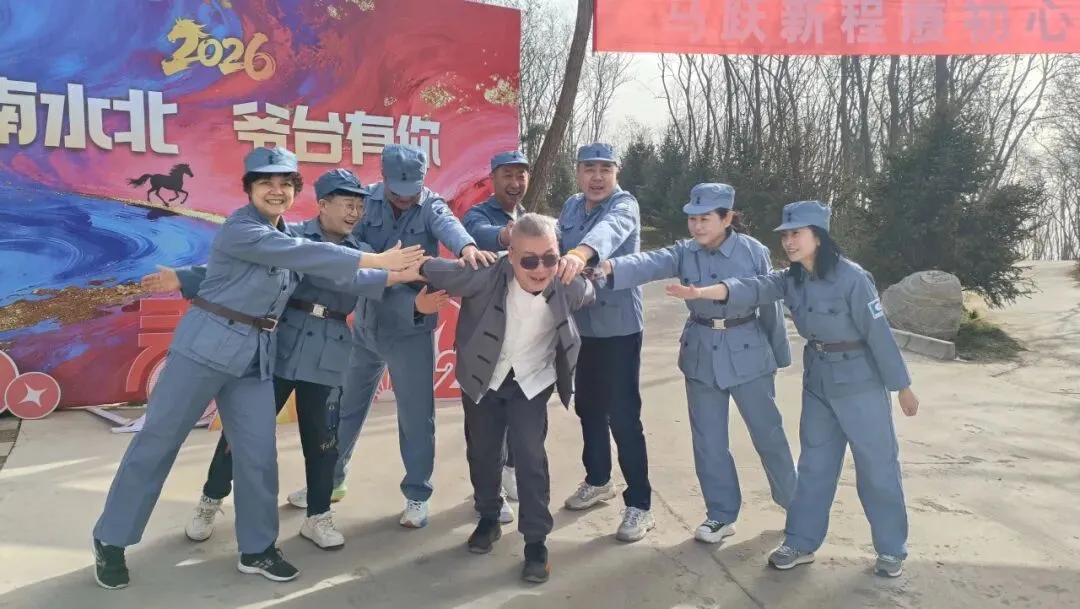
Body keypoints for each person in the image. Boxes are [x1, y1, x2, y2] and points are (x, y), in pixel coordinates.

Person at [90, 147, 426, 590]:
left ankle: (257, 548)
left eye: (286, 183)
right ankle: (111, 539)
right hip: (204, 348)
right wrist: (378, 261)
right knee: (158, 442)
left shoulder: (280, 234)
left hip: (257, 356)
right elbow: (301, 254)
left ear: (295, 192)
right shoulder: (243, 227)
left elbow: (250, 269)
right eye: (266, 182)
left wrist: (399, 276)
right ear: (249, 189)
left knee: (258, 455)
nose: (277, 190)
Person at [142, 169, 449, 551]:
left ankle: (318, 516)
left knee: (324, 442)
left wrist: (414, 302)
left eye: (359, 206)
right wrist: (185, 278)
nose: (354, 213)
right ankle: (211, 498)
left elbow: (379, 288)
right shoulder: (293, 237)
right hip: (281, 346)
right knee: (240, 435)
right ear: (322, 205)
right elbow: (241, 268)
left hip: (329, 352)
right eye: (346, 205)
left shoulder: (361, 249)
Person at [664, 200, 921, 578]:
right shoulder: (790, 279)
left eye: (796, 234)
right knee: (815, 465)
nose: (788, 242)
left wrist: (902, 387)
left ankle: (891, 548)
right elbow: (751, 288)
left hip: (860, 382)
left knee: (876, 467)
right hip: (818, 381)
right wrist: (700, 293)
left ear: (819, 236)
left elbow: (878, 333)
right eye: (785, 235)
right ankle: (800, 541)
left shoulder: (852, 277)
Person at [285, 144, 498, 529]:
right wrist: (392, 270)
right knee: (346, 408)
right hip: (366, 323)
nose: (405, 198)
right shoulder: (364, 202)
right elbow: (357, 254)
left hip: (411, 329)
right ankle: (331, 479)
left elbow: (448, 224)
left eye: (412, 190)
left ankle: (417, 493)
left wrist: (466, 247)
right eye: (397, 190)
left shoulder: (429, 204)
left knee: (416, 417)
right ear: (383, 178)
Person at [592, 183, 797, 544]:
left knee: (768, 434)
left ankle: (796, 506)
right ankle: (721, 514)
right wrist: (608, 266)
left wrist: (777, 354)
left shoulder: (753, 251)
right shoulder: (685, 252)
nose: (697, 226)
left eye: (705, 219)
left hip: (748, 351)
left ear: (727, 218)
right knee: (708, 441)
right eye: (692, 219)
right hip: (701, 352)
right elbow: (650, 262)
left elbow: (770, 303)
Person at [417, 213, 597, 583]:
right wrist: (408, 267)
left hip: (532, 380)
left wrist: (585, 267)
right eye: (529, 260)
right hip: (483, 378)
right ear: (510, 255)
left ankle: (536, 541)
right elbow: (433, 269)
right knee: (483, 452)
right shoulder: (483, 274)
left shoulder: (567, 283)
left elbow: (594, 287)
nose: (540, 269)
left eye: (549, 258)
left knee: (530, 457)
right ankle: (488, 517)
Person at [554, 143, 653, 542]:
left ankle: (640, 504)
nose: (596, 177)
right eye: (589, 168)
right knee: (588, 407)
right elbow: (554, 238)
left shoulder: (624, 205)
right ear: (578, 172)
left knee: (623, 415)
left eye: (604, 169)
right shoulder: (571, 206)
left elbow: (608, 232)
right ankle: (598, 480)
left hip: (618, 327)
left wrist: (580, 254)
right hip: (581, 326)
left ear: (617, 172)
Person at [461, 150, 531, 507]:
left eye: (521, 175)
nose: (515, 183)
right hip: (484, 340)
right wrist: (506, 236)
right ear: (493, 179)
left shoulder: (527, 218)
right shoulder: (476, 215)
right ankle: (487, 497)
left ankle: (509, 473)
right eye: (508, 175)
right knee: (484, 425)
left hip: (523, 336)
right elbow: (479, 234)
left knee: (520, 413)